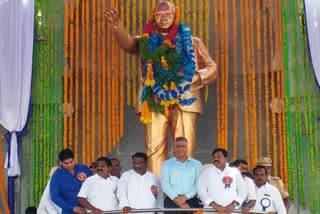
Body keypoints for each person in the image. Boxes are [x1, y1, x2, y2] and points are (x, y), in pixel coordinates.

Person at [104, 0, 217, 176]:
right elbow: (129, 44)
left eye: (168, 14)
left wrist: (195, 77)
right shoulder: (147, 42)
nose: (164, 18)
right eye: (159, 15)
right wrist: (116, 25)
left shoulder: (192, 42)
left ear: (176, 14)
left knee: (184, 148)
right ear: (153, 17)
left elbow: (213, 68)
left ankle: (185, 193)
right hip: (154, 99)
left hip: (185, 99)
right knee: (154, 149)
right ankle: (157, 194)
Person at [197, 148, 247, 214]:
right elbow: (201, 192)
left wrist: (233, 205)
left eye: (219, 156)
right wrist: (215, 205)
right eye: (214, 157)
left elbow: (243, 192)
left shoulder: (235, 172)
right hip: (212, 211)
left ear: (226, 159)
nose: (216, 159)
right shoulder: (207, 172)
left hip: (231, 211)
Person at [160, 137, 202, 214]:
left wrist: (185, 197)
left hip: (191, 201)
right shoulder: (166, 164)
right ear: (174, 148)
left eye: (183, 146)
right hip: (172, 201)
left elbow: (198, 184)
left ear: (187, 148)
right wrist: (177, 199)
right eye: (178, 146)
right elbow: (165, 184)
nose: (180, 148)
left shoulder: (196, 164)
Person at [50, 148, 92, 214]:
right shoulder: (57, 176)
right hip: (69, 211)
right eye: (66, 163)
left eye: (71, 162)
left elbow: (94, 185)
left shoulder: (84, 169)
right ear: (61, 162)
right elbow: (55, 196)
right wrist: (72, 208)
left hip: (89, 210)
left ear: (74, 159)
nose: (69, 165)